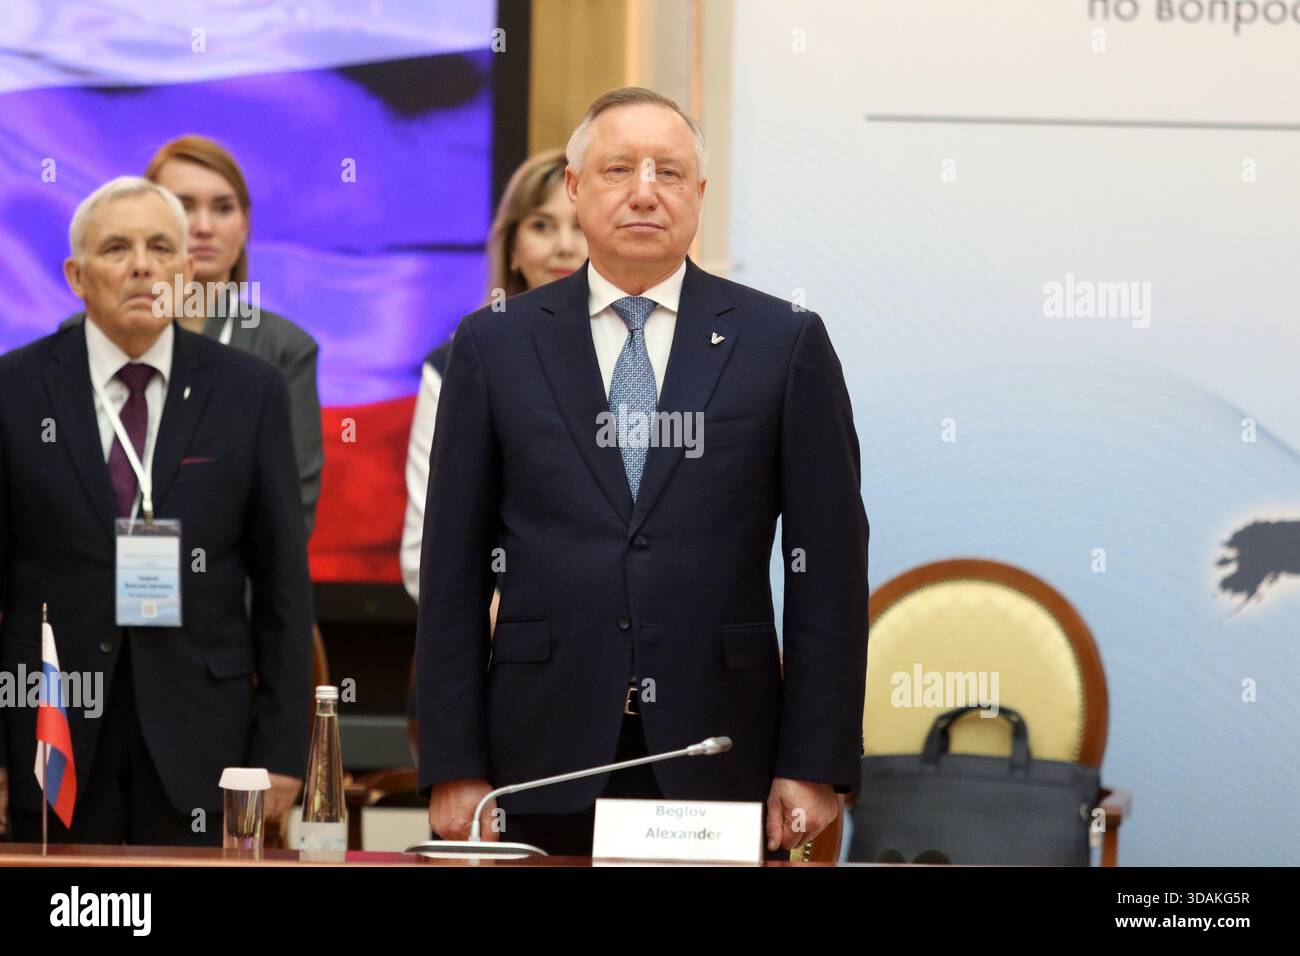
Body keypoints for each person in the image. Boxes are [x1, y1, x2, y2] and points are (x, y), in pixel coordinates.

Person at [416, 88, 869, 859]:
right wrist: (454, 764)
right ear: (574, 188)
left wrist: (814, 762)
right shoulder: (493, 345)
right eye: (619, 168)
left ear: (698, 194)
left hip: (720, 751)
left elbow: (827, 566)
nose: (644, 190)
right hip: (538, 753)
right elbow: (452, 567)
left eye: (669, 171)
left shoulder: (782, 342)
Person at [0, 177, 312, 844]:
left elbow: (284, 585)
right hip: (50, 732)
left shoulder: (248, 392)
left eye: (160, 247)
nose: (142, 265)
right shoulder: (14, 391)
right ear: (76, 276)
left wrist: (283, 756)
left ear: (184, 269)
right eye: (117, 248)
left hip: (205, 741)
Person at [62, 135, 324, 536]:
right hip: (89, 580)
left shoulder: (283, 349)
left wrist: (214, 591)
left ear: (245, 224)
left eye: (222, 208)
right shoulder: (71, 343)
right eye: (183, 206)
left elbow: (288, 515)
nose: (202, 227)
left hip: (224, 591)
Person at [400, 149, 586, 602]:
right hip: (504, 643)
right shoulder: (456, 364)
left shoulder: (639, 358)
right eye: (542, 225)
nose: (564, 244)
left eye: (579, 225)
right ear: (513, 247)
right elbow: (425, 550)